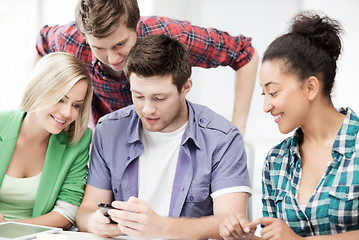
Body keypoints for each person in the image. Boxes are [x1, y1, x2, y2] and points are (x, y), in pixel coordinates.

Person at [75, 34, 251, 239]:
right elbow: (86, 211)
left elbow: (233, 222)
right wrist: (93, 222)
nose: (147, 109)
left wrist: (162, 227)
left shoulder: (222, 138)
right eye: (138, 96)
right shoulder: (109, 130)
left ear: (185, 87)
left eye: (159, 98)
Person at [219, 11, 359, 240]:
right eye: (264, 94)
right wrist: (243, 237)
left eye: (273, 92)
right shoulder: (276, 161)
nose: (266, 106)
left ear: (311, 87)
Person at [35, 0, 258, 135]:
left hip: (168, 137)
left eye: (120, 44)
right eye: (99, 48)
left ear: (136, 24)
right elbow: (41, 42)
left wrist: (238, 126)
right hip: (108, 139)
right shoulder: (69, 40)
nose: (112, 58)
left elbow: (244, 53)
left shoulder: (172, 36)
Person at [0, 52, 93, 229]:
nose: (67, 113)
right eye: (60, 100)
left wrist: (11, 227)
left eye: (76, 105)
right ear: (38, 90)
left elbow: (67, 212)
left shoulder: (78, 141)